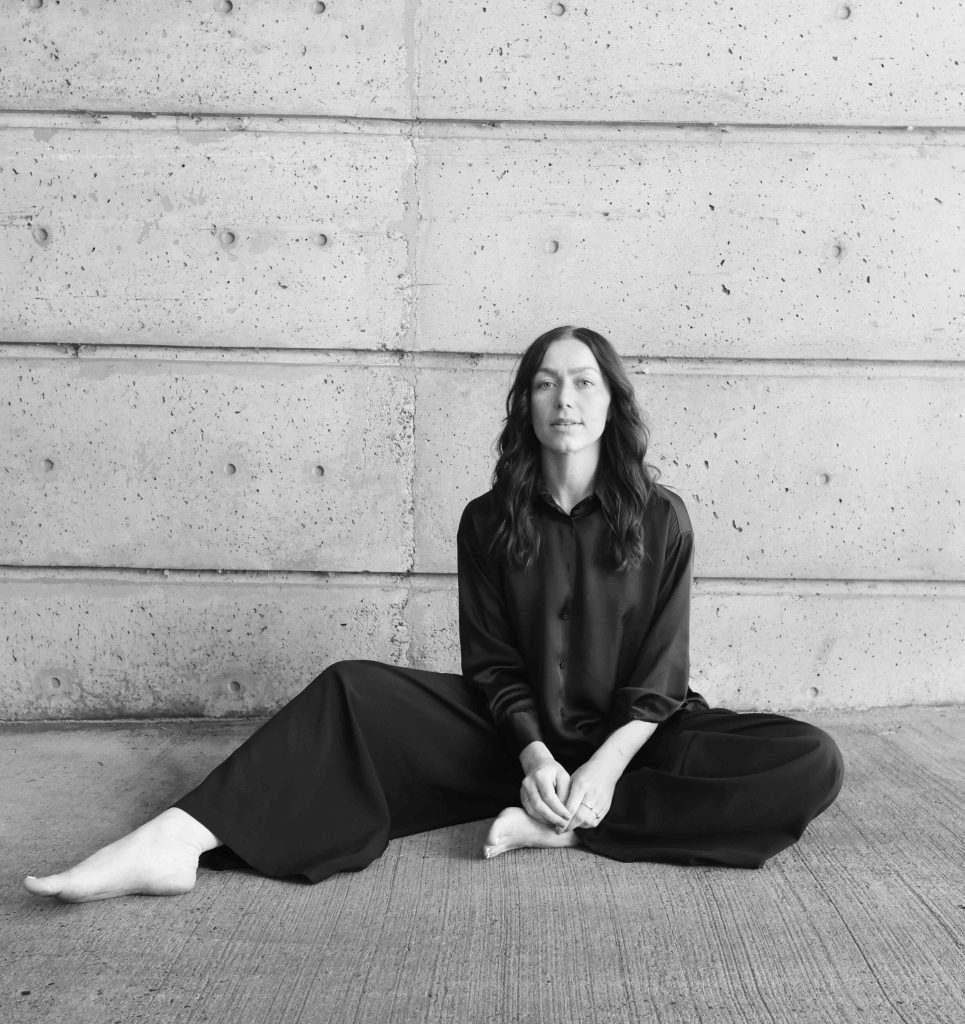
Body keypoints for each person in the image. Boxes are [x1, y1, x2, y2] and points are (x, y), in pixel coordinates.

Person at [24, 326, 843, 903]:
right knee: (351, 689)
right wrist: (531, 756)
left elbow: (661, 677)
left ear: (610, 401)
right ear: (526, 404)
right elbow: (490, 666)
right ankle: (180, 839)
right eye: (547, 383)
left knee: (807, 760)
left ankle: (564, 826)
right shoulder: (487, 520)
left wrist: (598, 770)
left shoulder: (660, 517)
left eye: (584, 380)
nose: (566, 398)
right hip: (510, 746)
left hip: (631, 744)